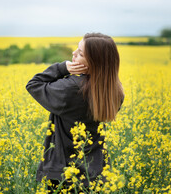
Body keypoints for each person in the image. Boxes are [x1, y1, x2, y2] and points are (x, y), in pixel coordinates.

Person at [26, 33, 124, 193]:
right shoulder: (115, 91)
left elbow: (34, 84)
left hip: (64, 174)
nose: (73, 54)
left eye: (80, 53)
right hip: (97, 174)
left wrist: (62, 68)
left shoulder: (70, 89)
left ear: (92, 62)